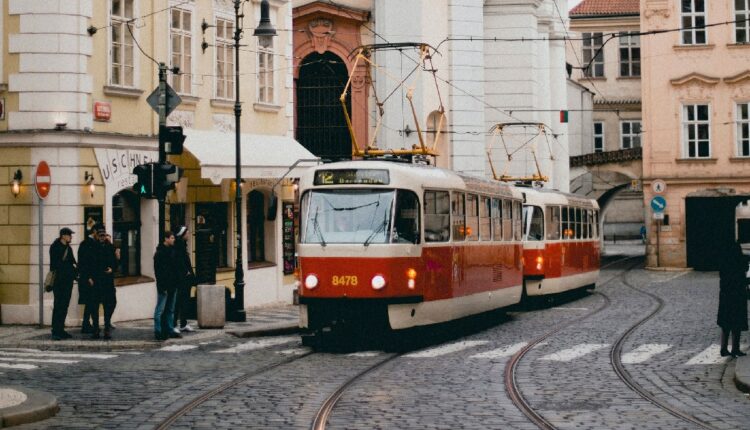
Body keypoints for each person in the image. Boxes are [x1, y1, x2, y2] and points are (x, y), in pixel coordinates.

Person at [718, 240, 749, 357]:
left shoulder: (724, 262)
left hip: (725, 295)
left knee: (725, 324)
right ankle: (735, 348)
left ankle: (723, 348)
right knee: (737, 323)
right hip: (738, 295)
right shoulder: (740, 261)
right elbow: (743, 277)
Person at [50, 227, 78, 340]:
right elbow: (56, 265)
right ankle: (55, 331)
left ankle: (61, 329)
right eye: (69, 235)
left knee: (65, 305)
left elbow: (72, 262)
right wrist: (69, 269)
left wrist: (76, 272)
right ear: (63, 236)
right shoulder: (55, 247)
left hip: (68, 281)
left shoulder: (68, 248)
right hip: (59, 281)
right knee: (58, 305)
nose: (71, 237)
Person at [153, 230, 179, 341]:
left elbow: (175, 268)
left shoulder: (173, 251)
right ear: (166, 239)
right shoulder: (159, 253)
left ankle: (170, 329)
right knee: (160, 309)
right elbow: (158, 271)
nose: (173, 240)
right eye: (172, 238)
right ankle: (158, 331)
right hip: (164, 285)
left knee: (170, 309)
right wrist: (161, 285)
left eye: (173, 238)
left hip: (172, 284)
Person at [172, 226, 196, 334]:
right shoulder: (178, 246)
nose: (188, 235)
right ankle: (174, 324)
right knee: (178, 302)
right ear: (182, 234)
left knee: (184, 301)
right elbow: (179, 262)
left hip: (185, 278)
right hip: (180, 279)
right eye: (186, 233)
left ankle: (183, 323)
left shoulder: (182, 245)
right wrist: (185, 272)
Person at [77, 225, 99, 334]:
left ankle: (87, 324)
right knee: (91, 301)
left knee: (91, 302)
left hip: (93, 277)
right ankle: (89, 325)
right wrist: (88, 277)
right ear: (94, 232)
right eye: (99, 233)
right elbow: (84, 262)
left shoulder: (94, 243)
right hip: (89, 278)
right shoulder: (86, 244)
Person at [98, 228, 118, 340]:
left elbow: (116, 262)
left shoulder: (110, 247)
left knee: (112, 302)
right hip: (99, 280)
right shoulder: (95, 247)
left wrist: (112, 268)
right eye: (100, 235)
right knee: (97, 304)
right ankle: (102, 328)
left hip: (109, 280)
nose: (102, 237)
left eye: (104, 235)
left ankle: (107, 322)